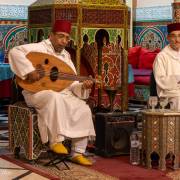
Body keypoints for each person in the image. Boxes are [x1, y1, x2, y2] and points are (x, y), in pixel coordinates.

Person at [8, 19, 96, 166]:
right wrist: (29, 71)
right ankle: (56, 141)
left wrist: (83, 86)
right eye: (61, 36)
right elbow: (14, 52)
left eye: (67, 38)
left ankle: (78, 152)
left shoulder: (66, 56)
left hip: (61, 93)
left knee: (83, 108)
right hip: (36, 93)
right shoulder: (38, 48)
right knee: (53, 97)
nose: (64, 41)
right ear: (51, 35)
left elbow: (71, 82)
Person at [153, 22, 180, 110]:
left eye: (179, 35)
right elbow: (160, 80)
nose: (177, 39)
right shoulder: (161, 56)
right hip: (168, 92)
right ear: (168, 37)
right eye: (173, 36)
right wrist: (178, 80)